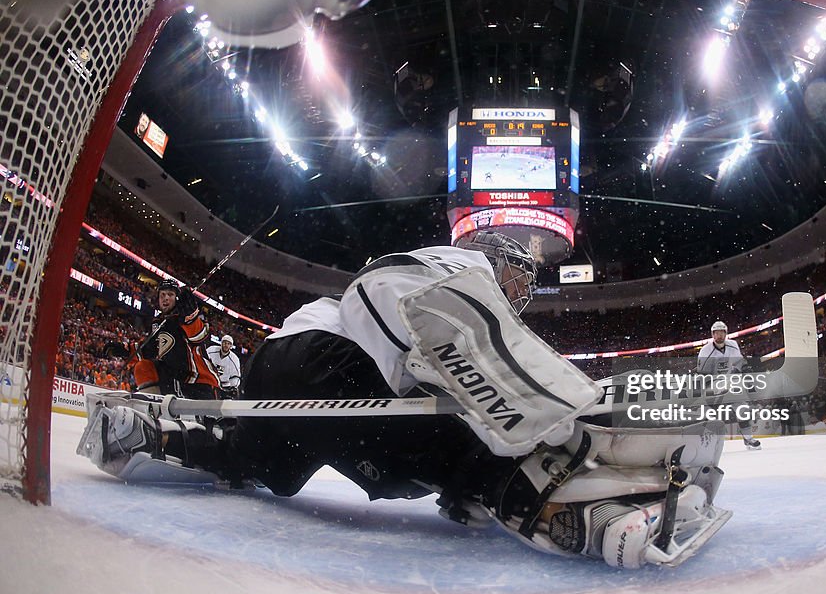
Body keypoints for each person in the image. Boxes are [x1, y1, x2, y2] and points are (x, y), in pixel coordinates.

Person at [79, 232, 730, 569]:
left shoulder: (455, 302)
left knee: (263, 467)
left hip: (283, 366)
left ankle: (152, 437)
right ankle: (564, 504)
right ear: (490, 259)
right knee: (457, 453)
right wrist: (572, 415)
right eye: (515, 272)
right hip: (325, 363)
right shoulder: (457, 270)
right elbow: (382, 285)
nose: (519, 287)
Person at [130, 279, 219, 400]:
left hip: (199, 382)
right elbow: (148, 349)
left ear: (177, 298)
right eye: (162, 295)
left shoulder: (185, 317)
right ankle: (154, 408)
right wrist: (125, 351)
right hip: (173, 379)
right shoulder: (158, 322)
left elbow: (200, 337)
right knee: (143, 367)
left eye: (170, 294)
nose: (166, 298)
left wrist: (191, 317)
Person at [696, 320, 761, 449]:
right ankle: (705, 443)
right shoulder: (705, 351)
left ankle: (748, 439)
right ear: (712, 335)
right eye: (716, 333)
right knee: (708, 414)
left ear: (726, 334)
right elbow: (702, 374)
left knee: (742, 408)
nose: (719, 336)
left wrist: (745, 370)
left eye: (722, 333)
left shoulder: (732, 345)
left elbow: (739, 363)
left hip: (728, 384)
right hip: (712, 386)